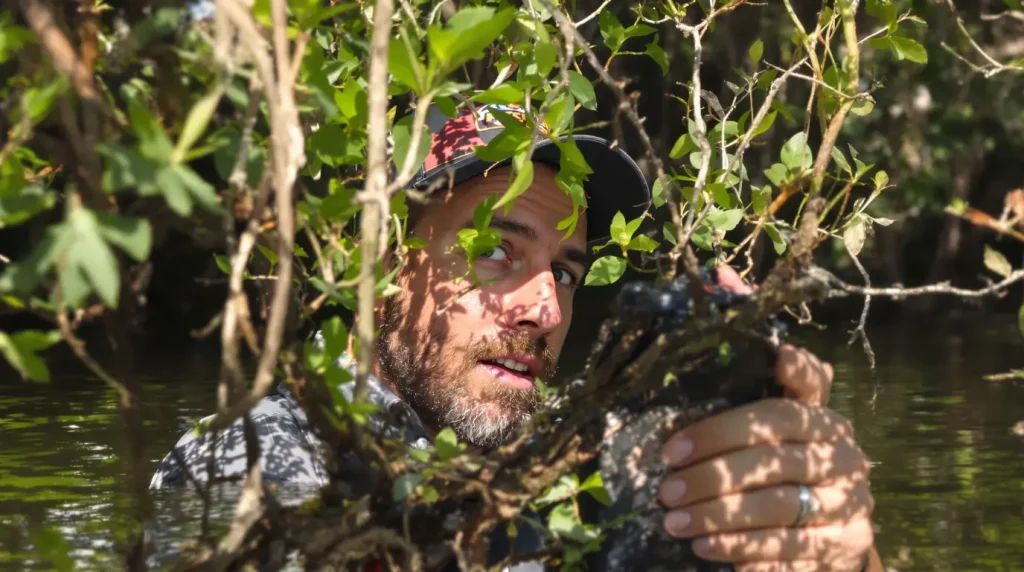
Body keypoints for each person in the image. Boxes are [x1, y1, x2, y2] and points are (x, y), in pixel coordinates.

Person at [152, 102, 881, 570]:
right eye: (497, 252)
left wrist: (834, 545)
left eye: (564, 272)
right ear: (374, 268)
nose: (546, 311)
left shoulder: (566, 471)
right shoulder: (256, 455)